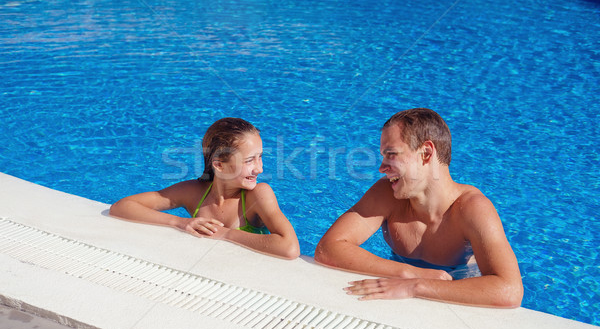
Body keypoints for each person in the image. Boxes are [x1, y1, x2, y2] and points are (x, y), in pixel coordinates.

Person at [315, 108, 523, 307]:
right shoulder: (387, 195)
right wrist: (408, 273)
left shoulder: (471, 209)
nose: (381, 168)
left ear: (426, 153)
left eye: (391, 154)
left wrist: (416, 286)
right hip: (396, 291)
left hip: (458, 303)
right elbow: (327, 249)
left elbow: (509, 289)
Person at [110, 117, 300, 260]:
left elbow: (290, 248)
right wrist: (179, 223)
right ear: (219, 165)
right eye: (250, 160)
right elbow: (122, 206)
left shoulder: (257, 195)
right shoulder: (194, 192)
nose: (260, 168)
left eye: (260, 156)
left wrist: (226, 234)